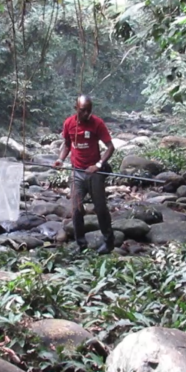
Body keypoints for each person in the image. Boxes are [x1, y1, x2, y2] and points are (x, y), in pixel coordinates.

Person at [54, 94, 116, 254]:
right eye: (83, 111)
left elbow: (110, 147)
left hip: (94, 172)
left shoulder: (97, 123)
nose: (87, 114)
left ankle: (108, 242)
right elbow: (67, 144)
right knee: (76, 209)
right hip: (77, 171)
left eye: (89, 110)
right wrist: (60, 160)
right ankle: (81, 244)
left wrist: (98, 165)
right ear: (76, 109)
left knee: (100, 208)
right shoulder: (69, 123)